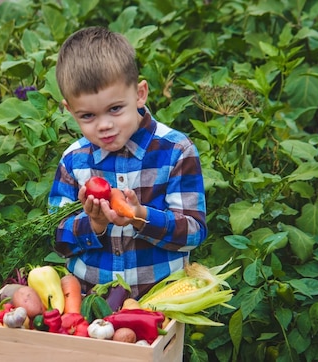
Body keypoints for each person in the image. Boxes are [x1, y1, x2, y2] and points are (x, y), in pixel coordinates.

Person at [48, 26, 207, 299]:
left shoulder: (175, 151)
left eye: (115, 109)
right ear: (69, 110)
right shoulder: (74, 161)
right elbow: (57, 239)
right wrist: (94, 224)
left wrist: (140, 217)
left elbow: (193, 233)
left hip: (158, 302)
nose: (105, 125)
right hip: (89, 304)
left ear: (140, 94)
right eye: (87, 116)